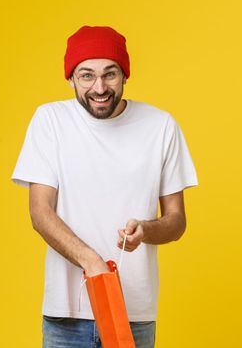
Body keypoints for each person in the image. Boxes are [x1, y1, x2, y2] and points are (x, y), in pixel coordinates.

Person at [11, 25, 198, 348]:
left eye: (110, 74)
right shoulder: (50, 121)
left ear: (125, 75)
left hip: (133, 313)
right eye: (87, 76)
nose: (99, 87)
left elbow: (177, 221)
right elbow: (40, 212)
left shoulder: (161, 126)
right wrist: (92, 263)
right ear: (71, 78)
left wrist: (146, 230)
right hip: (66, 315)